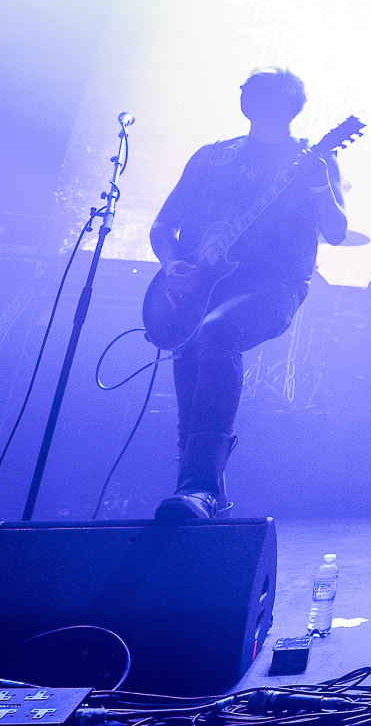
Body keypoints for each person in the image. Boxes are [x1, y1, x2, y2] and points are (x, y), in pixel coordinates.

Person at [149, 67, 348, 520]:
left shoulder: (311, 159)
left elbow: (336, 231)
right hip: (202, 288)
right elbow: (164, 224)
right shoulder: (212, 157)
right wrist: (172, 264)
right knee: (190, 367)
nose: (242, 91)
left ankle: (200, 487)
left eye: (253, 87)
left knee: (218, 331)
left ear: (283, 103)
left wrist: (319, 182)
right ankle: (200, 497)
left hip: (275, 286)